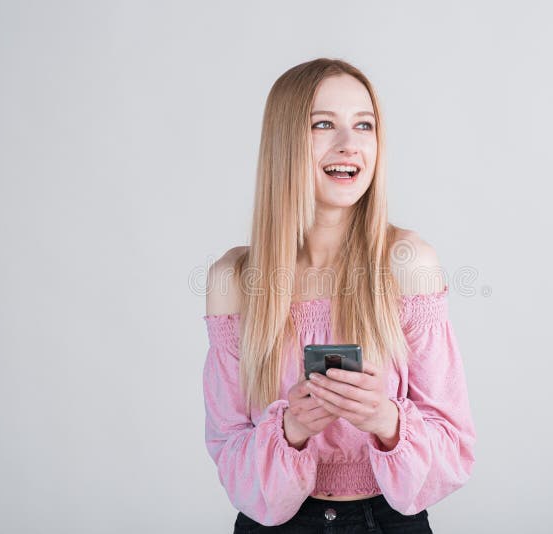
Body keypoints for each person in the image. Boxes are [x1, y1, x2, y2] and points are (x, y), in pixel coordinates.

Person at [202, 57, 476, 533]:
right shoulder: (234, 280)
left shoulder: (408, 263)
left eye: (364, 125)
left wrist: (385, 419)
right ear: (285, 141)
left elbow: (454, 449)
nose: (350, 145)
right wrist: (292, 431)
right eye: (323, 124)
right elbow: (230, 459)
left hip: (386, 522)